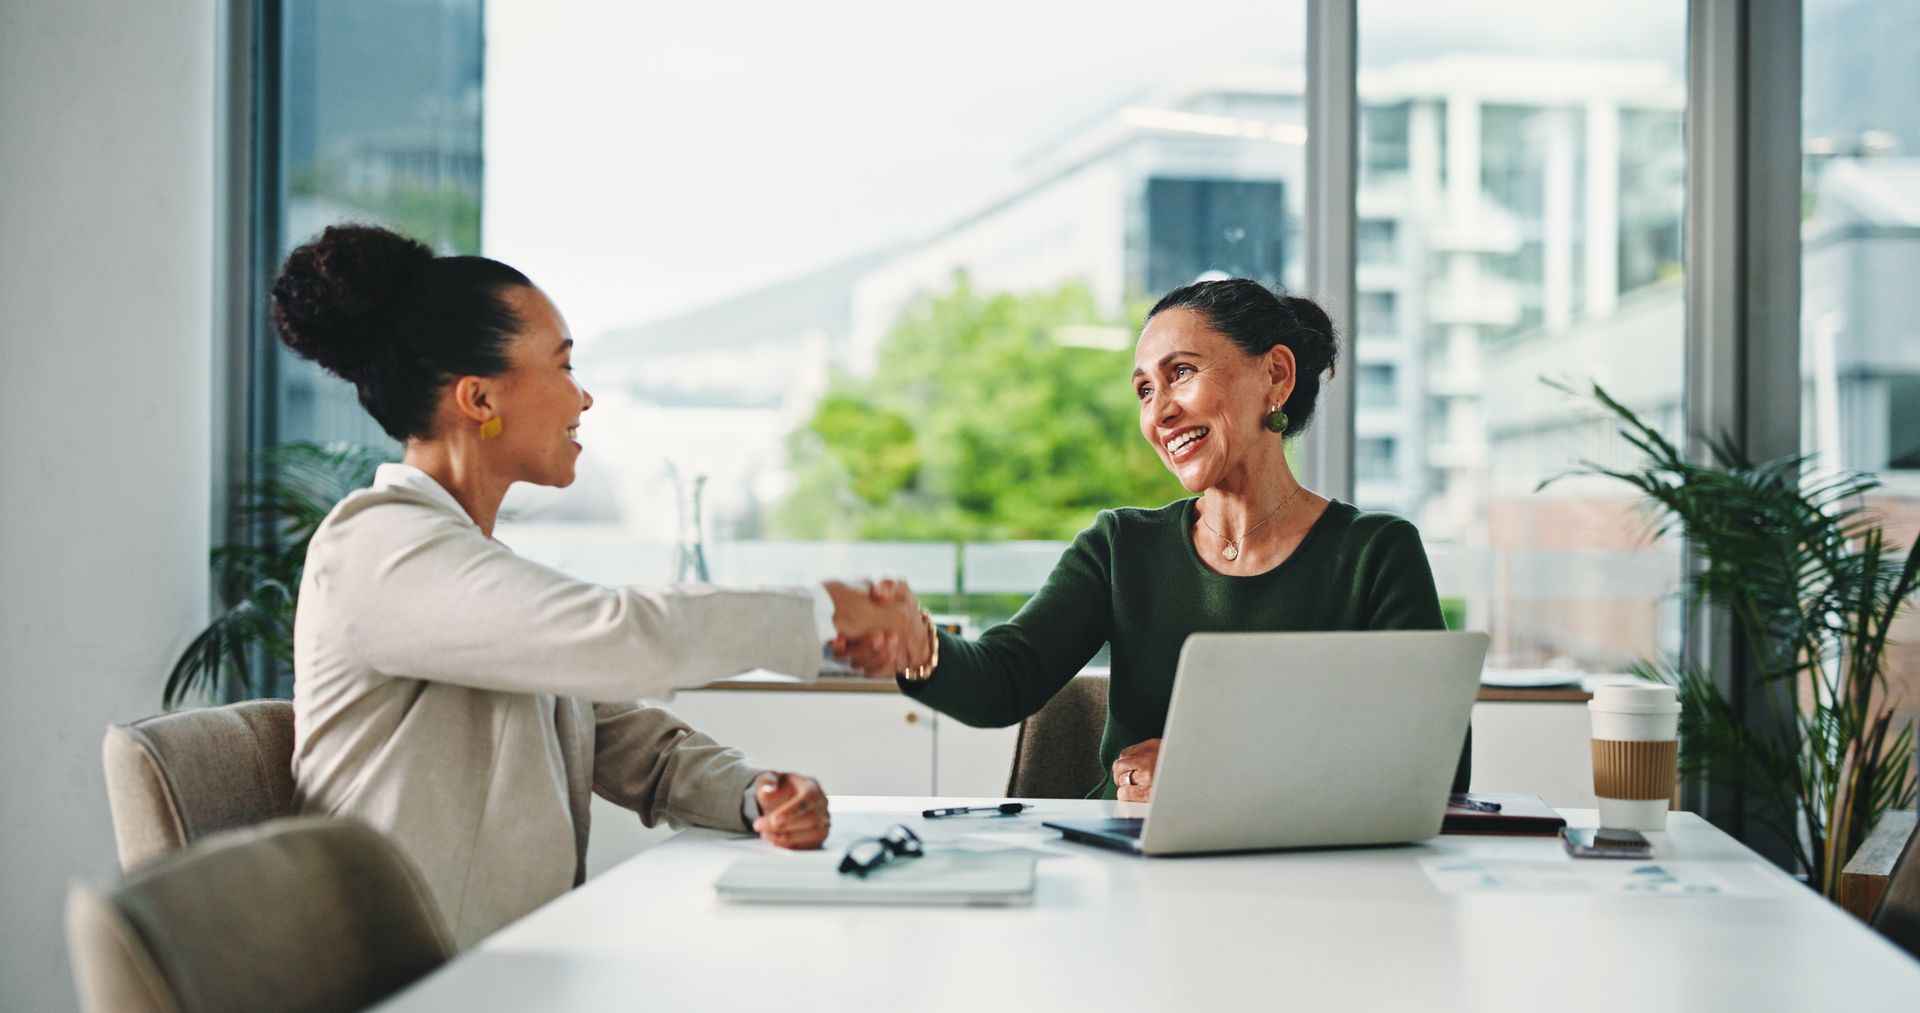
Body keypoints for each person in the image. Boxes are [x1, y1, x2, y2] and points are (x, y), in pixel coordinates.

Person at [273, 224, 932, 948]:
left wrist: (752, 793)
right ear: (480, 399)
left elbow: (617, 732)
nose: (582, 397)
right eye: (563, 365)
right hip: (414, 987)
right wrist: (826, 608)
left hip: (504, 978)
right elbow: (617, 634)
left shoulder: (459, 565)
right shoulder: (377, 547)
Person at [861, 278, 1467, 801]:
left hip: (1306, 876)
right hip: (1127, 866)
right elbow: (1003, 682)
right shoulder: (1120, 546)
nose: (1160, 412)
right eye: (1145, 390)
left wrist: (1207, 768)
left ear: (1276, 375)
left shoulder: (1375, 553)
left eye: (1181, 373)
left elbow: (1436, 759)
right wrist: (918, 644)